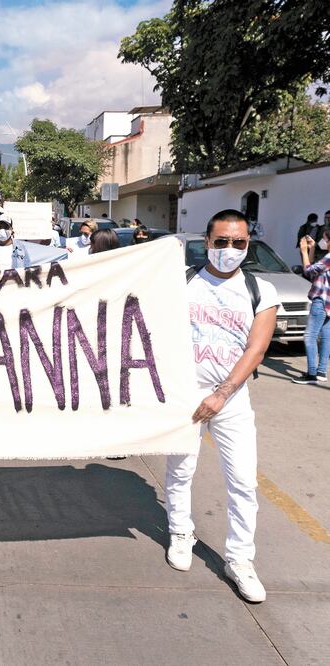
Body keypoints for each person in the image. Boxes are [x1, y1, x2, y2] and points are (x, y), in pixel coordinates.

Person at [165, 209, 277, 604]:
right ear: (207, 242)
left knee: (243, 480)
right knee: (180, 471)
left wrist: (222, 394)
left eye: (239, 242)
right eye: (222, 241)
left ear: (248, 244)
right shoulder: (182, 282)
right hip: (185, 396)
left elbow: (256, 349)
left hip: (231, 399)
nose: (230, 249)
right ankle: (180, 532)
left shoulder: (261, 291)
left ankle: (240, 559)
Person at [292, 232, 330, 384]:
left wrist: (303, 251)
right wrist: (312, 249)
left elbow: (308, 272)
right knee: (326, 336)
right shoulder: (327, 259)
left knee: (309, 336)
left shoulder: (329, 258)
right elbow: (314, 271)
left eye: (325, 239)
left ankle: (312, 374)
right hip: (328, 303)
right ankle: (321, 372)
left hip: (321, 301)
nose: (323, 242)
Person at [0, 219, 68, 271]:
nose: (2, 230)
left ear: (11, 229)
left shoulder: (21, 249)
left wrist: (63, 251)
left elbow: (29, 268)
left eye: (6, 227)